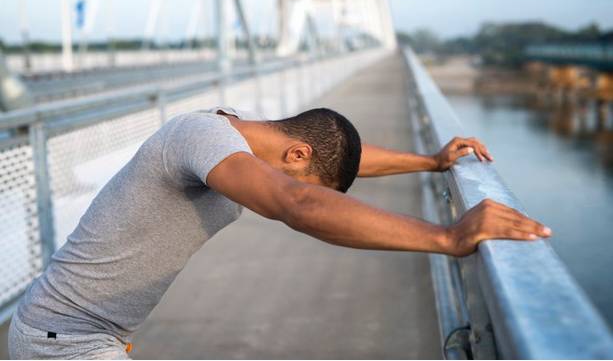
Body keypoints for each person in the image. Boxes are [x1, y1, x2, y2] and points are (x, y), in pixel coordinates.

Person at [8, 106, 551, 359]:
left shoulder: (243, 133)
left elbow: (334, 163)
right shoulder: (201, 137)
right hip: (65, 340)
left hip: (89, 334)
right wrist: (447, 238)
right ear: (294, 151)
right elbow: (297, 200)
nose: (283, 177)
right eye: (298, 168)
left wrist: (430, 162)